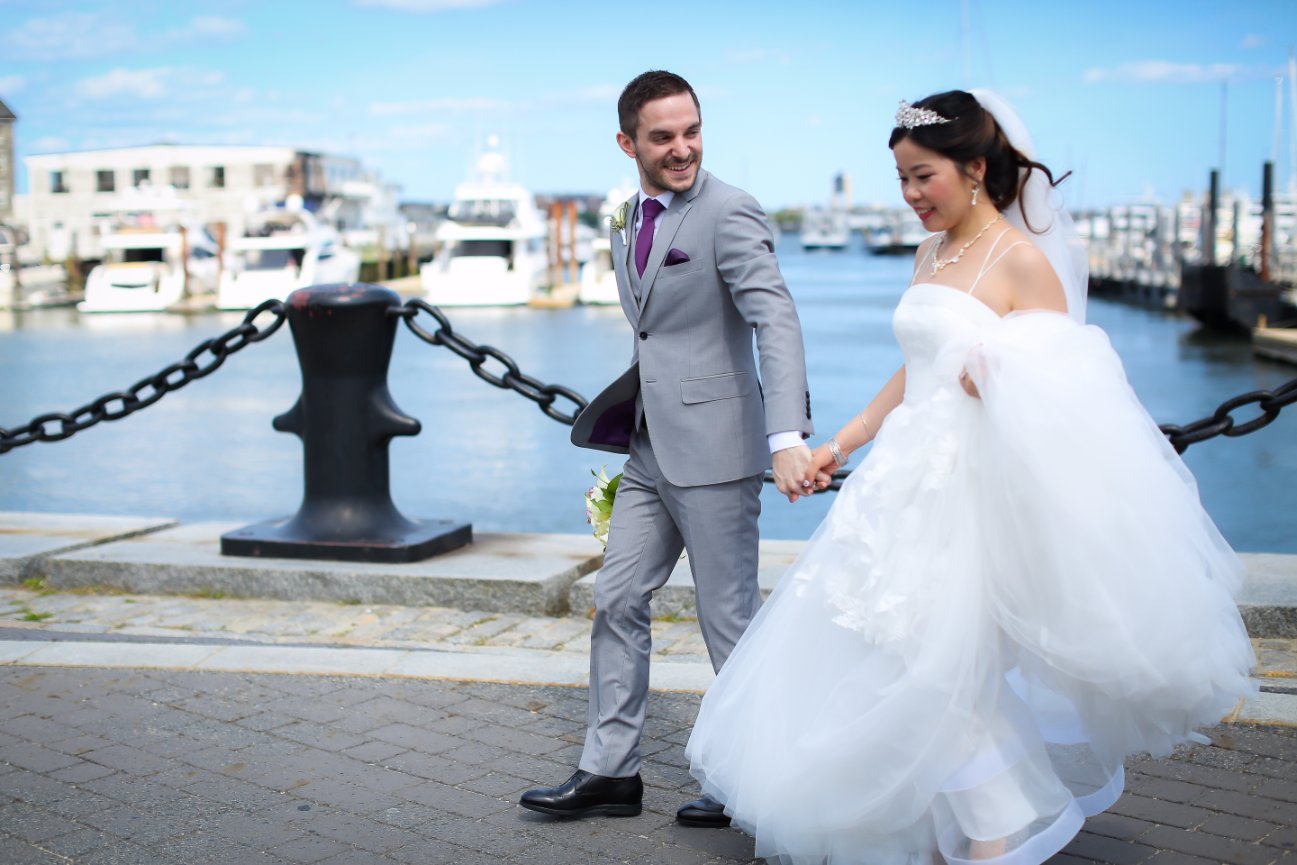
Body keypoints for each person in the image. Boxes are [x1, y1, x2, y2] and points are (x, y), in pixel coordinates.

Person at [685, 89, 1257, 864]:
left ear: (975, 168)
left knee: (936, 669)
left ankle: (993, 835)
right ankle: (943, 830)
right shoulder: (931, 254)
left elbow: (1075, 392)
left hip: (969, 493)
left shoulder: (1020, 260)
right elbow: (913, 365)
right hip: (899, 482)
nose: (912, 196)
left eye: (924, 176)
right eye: (900, 180)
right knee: (896, 659)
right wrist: (843, 440)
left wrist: (1004, 374)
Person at [519, 70, 814, 827]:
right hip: (649, 447)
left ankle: (752, 776)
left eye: (692, 130)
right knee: (615, 597)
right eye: (662, 136)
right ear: (628, 143)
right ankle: (609, 771)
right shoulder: (628, 218)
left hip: (719, 448)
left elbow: (773, 320)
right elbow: (654, 332)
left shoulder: (730, 211)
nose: (682, 148)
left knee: (728, 623)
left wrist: (786, 434)